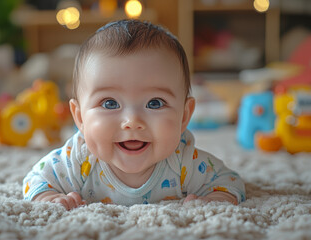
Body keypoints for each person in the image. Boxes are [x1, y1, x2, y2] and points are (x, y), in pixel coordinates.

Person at [23, 20, 246, 210]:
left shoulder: (184, 161)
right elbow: (35, 181)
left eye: (155, 103)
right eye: (109, 103)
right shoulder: (79, 159)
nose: (132, 121)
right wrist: (50, 198)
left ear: (184, 116)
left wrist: (215, 200)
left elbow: (229, 182)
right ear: (80, 117)